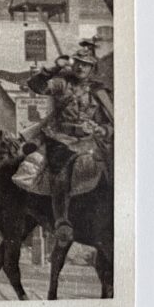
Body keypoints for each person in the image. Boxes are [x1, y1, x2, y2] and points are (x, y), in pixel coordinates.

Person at [27, 40, 113, 245]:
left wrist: (102, 129)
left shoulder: (100, 91)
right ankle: (62, 221)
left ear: (92, 67)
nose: (81, 67)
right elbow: (35, 85)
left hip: (90, 141)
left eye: (86, 64)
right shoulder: (61, 83)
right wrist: (53, 68)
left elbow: (111, 123)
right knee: (61, 171)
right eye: (78, 63)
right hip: (60, 138)